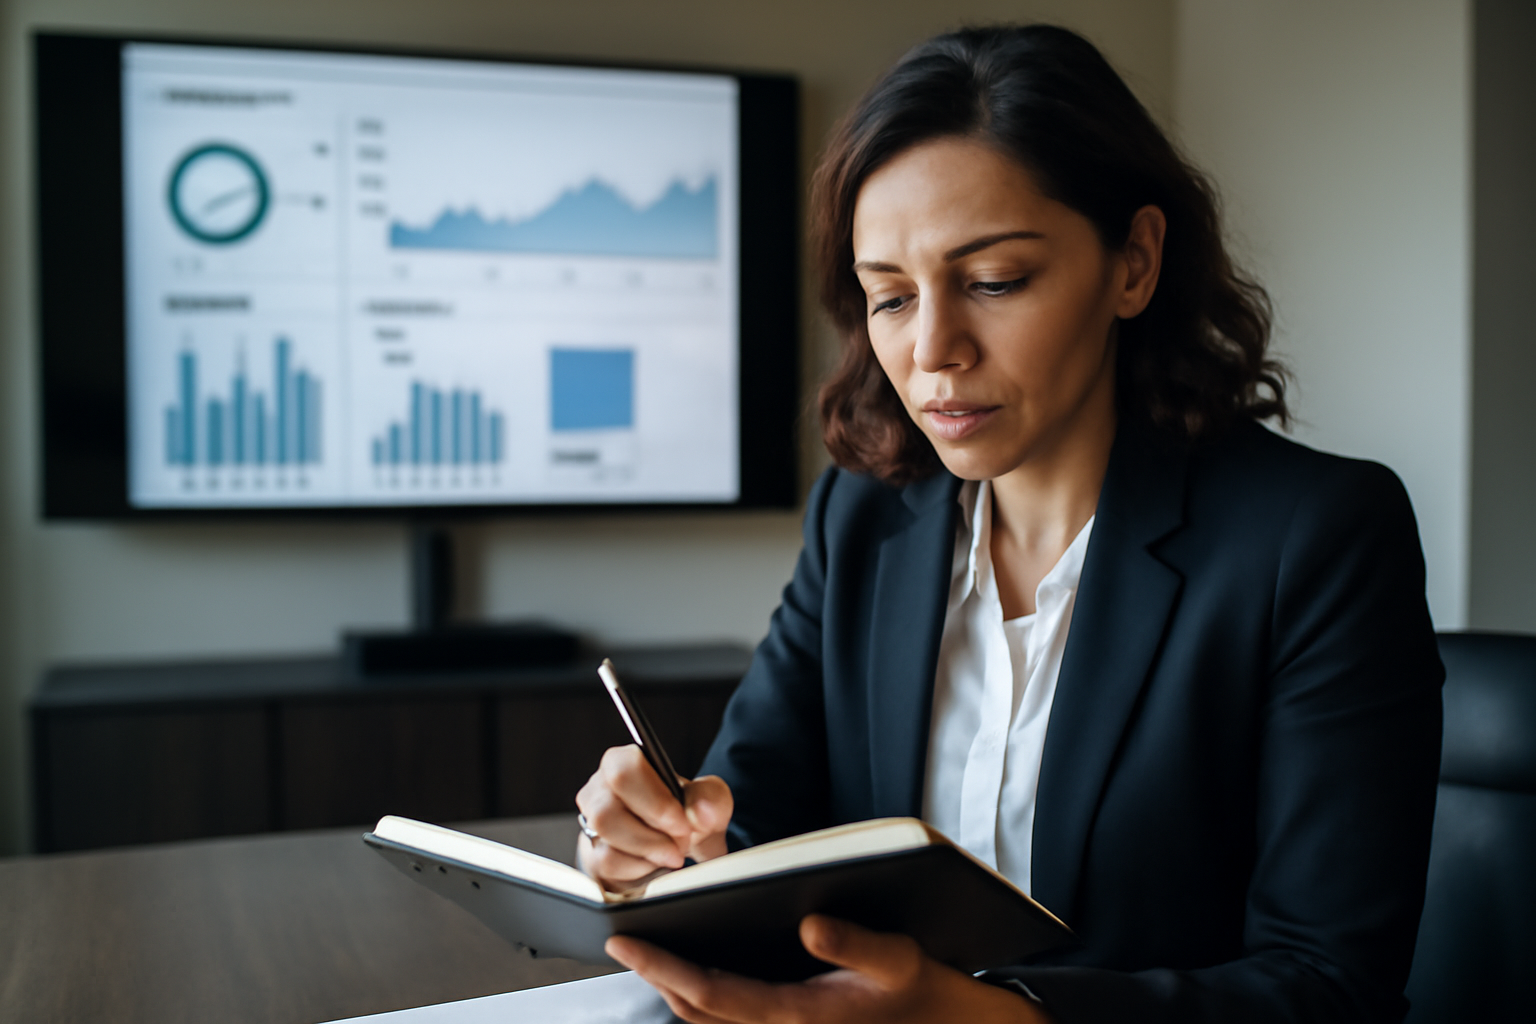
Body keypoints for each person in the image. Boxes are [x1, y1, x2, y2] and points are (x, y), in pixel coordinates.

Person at [575, 23, 1443, 1024]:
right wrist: (669, 844)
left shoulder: (1319, 539)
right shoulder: (863, 520)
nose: (934, 350)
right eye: (890, 297)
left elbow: (1329, 988)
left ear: (1135, 262)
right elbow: (754, 818)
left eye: (993, 282)